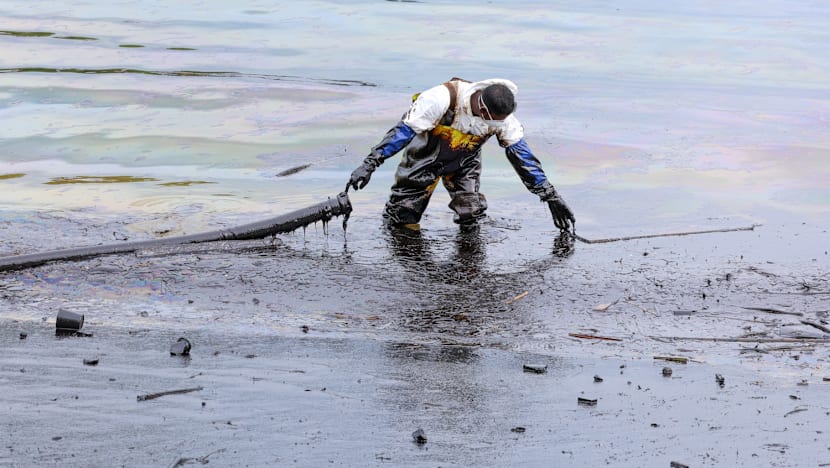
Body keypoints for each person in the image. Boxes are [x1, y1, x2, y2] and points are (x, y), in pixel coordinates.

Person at [346, 77, 575, 231]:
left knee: (471, 214)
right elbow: (402, 133)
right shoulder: (440, 99)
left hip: (465, 162)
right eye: (495, 120)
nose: (500, 124)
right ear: (483, 109)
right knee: (403, 216)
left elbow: (523, 159)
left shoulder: (504, 121)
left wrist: (550, 195)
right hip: (425, 158)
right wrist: (370, 164)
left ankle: (467, 269)